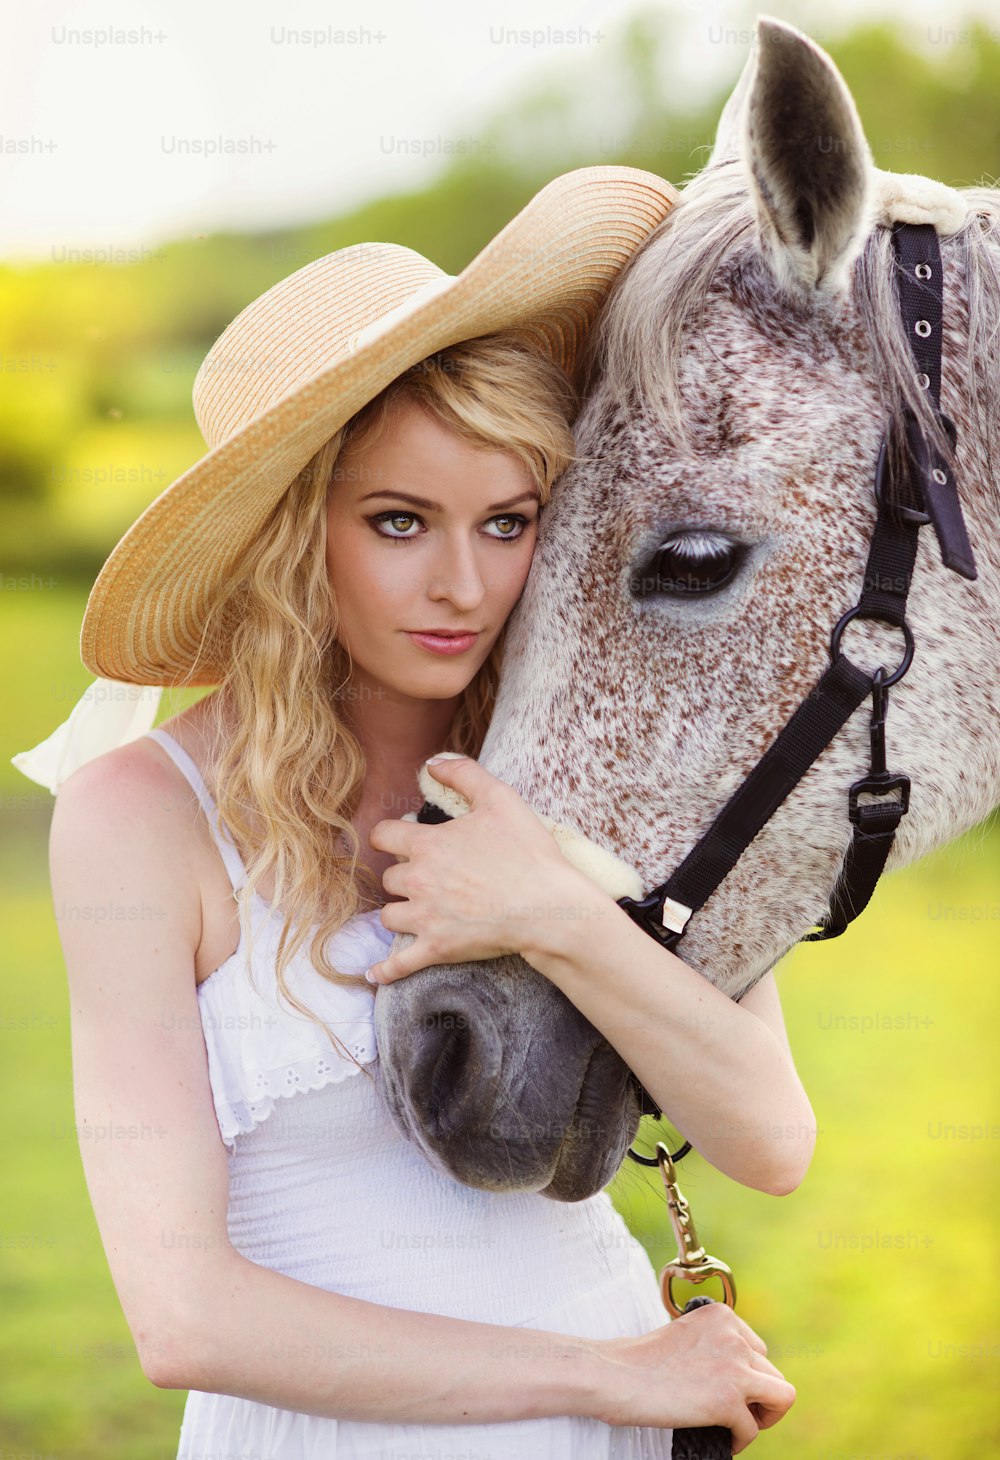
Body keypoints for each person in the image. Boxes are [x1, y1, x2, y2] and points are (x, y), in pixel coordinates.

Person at [13, 167, 804, 1458]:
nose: (463, 585)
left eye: (507, 523)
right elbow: (183, 1318)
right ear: (291, 539)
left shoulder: (599, 770)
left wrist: (557, 916)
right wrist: (615, 1379)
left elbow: (768, 1138)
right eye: (398, 522)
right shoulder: (141, 822)